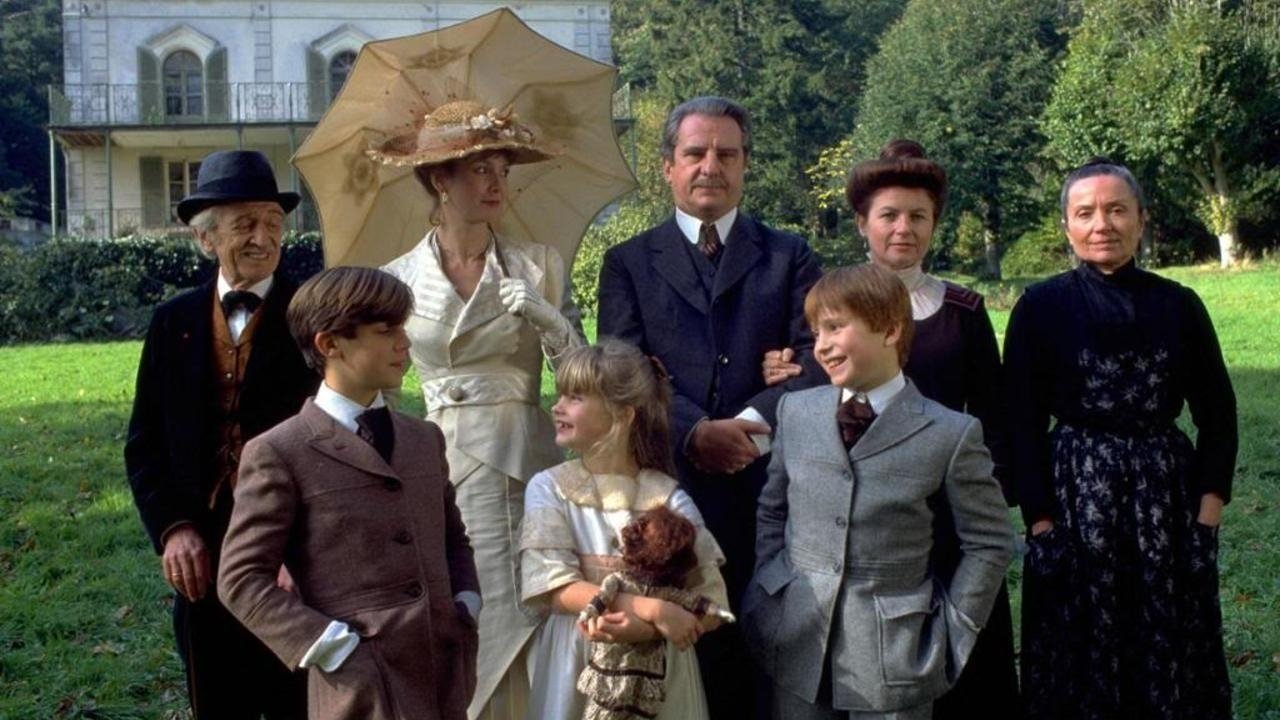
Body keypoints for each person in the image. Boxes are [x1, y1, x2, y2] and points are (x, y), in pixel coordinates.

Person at [597, 96, 824, 719]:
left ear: (746, 164)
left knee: (767, 648)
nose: (710, 166)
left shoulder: (789, 256)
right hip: (669, 489)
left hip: (770, 488)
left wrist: (750, 425)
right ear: (668, 166)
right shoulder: (628, 264)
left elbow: (819, 358)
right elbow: (622, 371)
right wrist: (694, 430)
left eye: (727, 153)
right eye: (695, 152)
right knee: (683, 652)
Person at [372, 99, 585, 720]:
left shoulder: (538, 264)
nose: (497, 184)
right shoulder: (397, 278)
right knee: (464, 605)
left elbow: (581, 381)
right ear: (440, 179)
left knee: (533, 606)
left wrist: (549, 321)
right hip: (442, 465)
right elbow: (382, 393)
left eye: (502, 170)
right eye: (480, 170)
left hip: (525, 463)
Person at [1005, 157, 1236, 719]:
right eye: (1085, 213)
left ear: (1141, 219)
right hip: (1074, 500)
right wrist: (1040, 521)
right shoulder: (1039, 307)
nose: (1101, 224)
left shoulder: (1180, 305)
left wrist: (1207, 516)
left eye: (1116, 210)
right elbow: (1020, 423)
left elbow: (1218, 414)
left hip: (1166, 501)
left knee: (1169, 642)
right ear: (1067, 226)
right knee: (1077, 645)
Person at [747, 264, 1013, 720]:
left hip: (896, 661)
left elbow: (989, 541)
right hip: (796, 643)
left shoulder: (950, 433)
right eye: (816, 331)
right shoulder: (795, 411)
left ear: (890, 330)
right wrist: (771, 587)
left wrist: (957, 625)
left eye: (835, 328)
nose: (821, 346)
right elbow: (773, 510)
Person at [218, 267, 480, 720]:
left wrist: (465, 605)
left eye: (403, 327)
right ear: (329, 344)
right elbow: (241, 579)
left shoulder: (424, 438)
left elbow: (453, 538)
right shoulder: (280, 451)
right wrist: (329, 645)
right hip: (358, 691)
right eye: (386, 330)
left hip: (443, 678)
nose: (405, 342)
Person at [124, 149, 316, 718]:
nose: (264, 238)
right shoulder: (172, 322)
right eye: (245, 224)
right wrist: (174, 529)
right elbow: (144, 442)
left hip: (290, 545)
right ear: (206, 239)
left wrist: (302, 551)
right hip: (202, 550)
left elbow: (337, 440)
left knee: (296, 699)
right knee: (215, 696)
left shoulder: (311, 315)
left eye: (273, 223)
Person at [845, 139, 1018, 717]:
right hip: (865, 511)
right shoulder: (833, 307)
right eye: (889, 215)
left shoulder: (964, 310)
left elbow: (993, 413)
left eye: (918, 216)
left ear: (934, 225)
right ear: (863, 223)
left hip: (949, 509)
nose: (904, 229)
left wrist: (983, 496)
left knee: (964, 664)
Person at [519, 340, 731, 720]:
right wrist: (650, 607)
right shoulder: (550, 488)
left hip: (659, 676)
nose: (557, 406)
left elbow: (711, 601)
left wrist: (649, 630)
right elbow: (553, 585)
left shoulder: (667, 498)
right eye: (561, 394)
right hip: (575, 662)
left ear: (622, 414)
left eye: (575, 397)